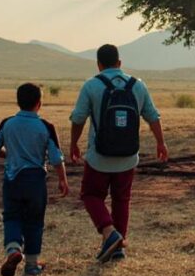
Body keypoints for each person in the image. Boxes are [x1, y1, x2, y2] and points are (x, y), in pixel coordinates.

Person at [69, 43, 167, 263]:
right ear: (119, 63)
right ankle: (118, 247)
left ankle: (109, 232)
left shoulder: (91, 85)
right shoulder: (138, 85)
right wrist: (161, 142)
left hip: (99, 156)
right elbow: (152, 116)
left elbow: (78, 118)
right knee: (121, 200)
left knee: (91, 195)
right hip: (128, 157)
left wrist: (73, 143)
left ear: (99, 64)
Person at [0, 83, 69, 276]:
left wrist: (7, 154)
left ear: (18, 102)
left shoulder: (7, 123)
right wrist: (63, 180)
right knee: (34, 221)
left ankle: (14, 249)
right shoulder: (46, 127)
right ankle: (32, 265)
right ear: (39, 104)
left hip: (12, 179)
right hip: (35, 181)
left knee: (12, 216)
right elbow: (56, 158)